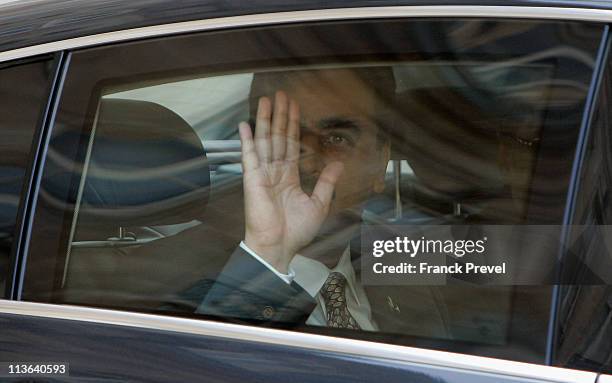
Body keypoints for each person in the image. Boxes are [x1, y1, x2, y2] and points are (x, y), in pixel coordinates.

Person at [197, 68, 451, 336]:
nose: (306, 163)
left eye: (337, 139)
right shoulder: (169, 282)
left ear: (380, 164)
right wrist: (268, 255)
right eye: (287, 137)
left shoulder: (403, 272)